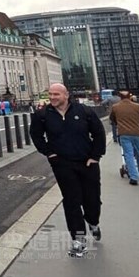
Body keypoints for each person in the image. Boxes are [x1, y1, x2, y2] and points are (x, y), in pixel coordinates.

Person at [30, 83, 106, 257]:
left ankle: (93, 222)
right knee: (71, 200)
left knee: (92, 200)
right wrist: (49, 153)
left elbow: (98, 133)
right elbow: (35, 135)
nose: (52, 97)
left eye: (56, 94)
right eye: (50, 94)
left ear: (66, 95)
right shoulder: (43, 115)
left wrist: (95, 156)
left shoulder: (84, 111)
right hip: (62, 164)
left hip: (87, 163)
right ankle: (78, 240)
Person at [109, 90, 139, 185]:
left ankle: (133, 177)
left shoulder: (115, 107)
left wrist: (119, 124)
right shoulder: (138, 106)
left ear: (120, 97)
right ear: (130, 97)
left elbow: (112, 119)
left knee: (128, 154)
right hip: (138, 133)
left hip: (124, 134)